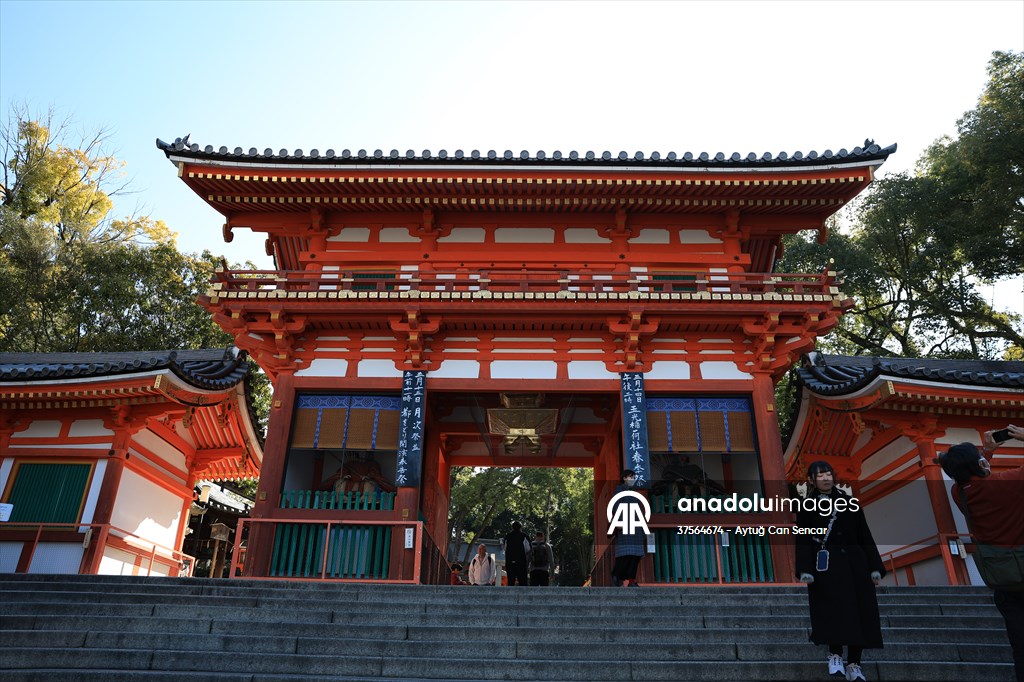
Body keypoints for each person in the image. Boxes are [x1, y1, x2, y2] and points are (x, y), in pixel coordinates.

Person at [935, 424, 1024, 681]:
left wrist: (987, 452)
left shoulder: (960, 493)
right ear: (978, 465)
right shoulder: (1009, 482)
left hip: (1003, 578)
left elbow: (970, 474)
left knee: (1020, 645)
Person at [795, 460, 884, 682]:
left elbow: (865, 535)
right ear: (811, 480)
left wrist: (874, 566)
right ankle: (835, 654)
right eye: (820, 475)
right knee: (831, 608)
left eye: (828, 474)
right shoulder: (806, 507)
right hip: (825, 564)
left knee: (859, 610)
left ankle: (855, 662)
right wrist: (804, 568)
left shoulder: (850, 502)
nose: (825, 479)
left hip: (856, 564)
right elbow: (803, 539)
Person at [610, 469, 646, 587]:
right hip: (625, 525)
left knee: (635, 556)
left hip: (636, 526)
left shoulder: (634, 492)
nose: (633, 479)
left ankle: (631, 581)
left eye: (634, 477)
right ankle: (615, 576)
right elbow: (615, 506)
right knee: (625, 555)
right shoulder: (619, 490)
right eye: (631, 477)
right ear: (625, 478)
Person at [502, 521, 531, 586]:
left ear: (512, 528)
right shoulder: (524, 536)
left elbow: (505, 548)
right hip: (521, 562)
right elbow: (528, 549)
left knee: (510, 581)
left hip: (510, 562)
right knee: (522, 581)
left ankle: (510, 595)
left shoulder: (507, 536)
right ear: (521, 527)